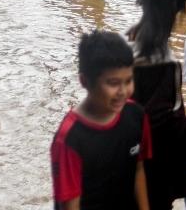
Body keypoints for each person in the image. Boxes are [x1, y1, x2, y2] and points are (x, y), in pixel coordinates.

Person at [50, 30, 151, 210]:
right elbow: (70, 204)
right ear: (84, 81)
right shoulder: (70, 139)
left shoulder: (136, 116)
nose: (123, 91)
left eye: (128, 81)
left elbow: (138, 169)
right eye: (113, 83)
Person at [127, 0, 186, 210]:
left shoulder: (124, 47)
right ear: (177, 11)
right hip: (155, 166)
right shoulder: (167, 63)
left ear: (142, 3)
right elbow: (166, 118)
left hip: (122, 160)